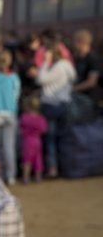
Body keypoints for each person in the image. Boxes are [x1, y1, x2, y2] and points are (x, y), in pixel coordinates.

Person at [37, 40, 76, 178]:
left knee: (51, 140)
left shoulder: (57, 67)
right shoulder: (67, 65)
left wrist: (46, 62)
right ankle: (66, 167)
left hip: (51, 106)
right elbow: (73, 78)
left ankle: (53, 169)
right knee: (64, 138)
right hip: (65, 104)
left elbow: (41, 79)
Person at [0, 50, 21, 184]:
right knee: (9, 146)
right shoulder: (14, 78)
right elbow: (16, 96)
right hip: (9, 114)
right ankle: (11, 176)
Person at [19, 95, 47, 184]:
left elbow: (21, 126)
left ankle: (26, 178)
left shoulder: (25, 117)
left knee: (27, 160)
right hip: (38, 141)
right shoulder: (40, 118)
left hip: (28, 141)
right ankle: (38, 178)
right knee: (38, 159)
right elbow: (44, 129)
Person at [72, 29, 99, 102]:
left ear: (82, 42)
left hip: (87, 98)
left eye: (75, 41)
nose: (74, 44)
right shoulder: (78, 58)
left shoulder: (92, 59)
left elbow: (91, 82)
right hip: (77, 96)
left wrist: (73, 89)